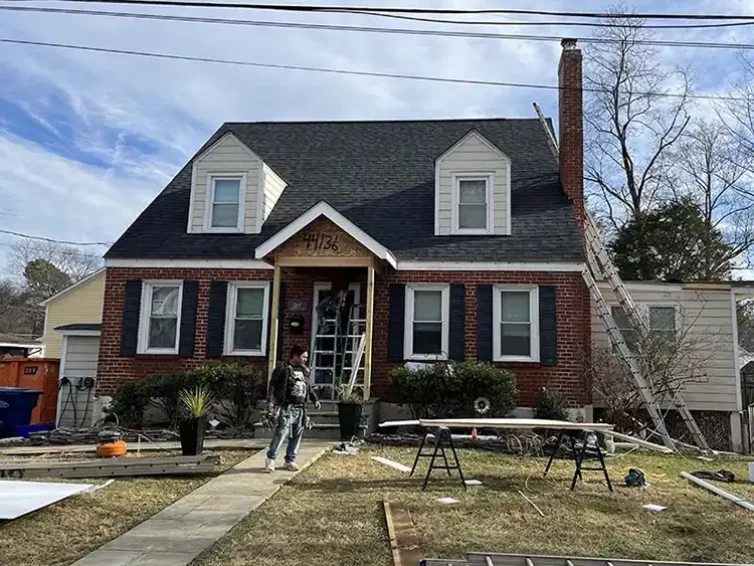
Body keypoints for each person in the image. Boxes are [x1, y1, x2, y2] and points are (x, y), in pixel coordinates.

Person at [264, 345, 320, 472]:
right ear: (295, 355)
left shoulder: (304, 370)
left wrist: (315, 399)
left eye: (306, 357)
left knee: (296, 435)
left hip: (301, 408)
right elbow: (273, 386)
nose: (305, 359)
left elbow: (308, 387)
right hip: (286, 407)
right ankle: (271, 459)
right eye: (303, 357)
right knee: (281, 433)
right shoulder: (283, 368)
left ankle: (290, 460)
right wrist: (271, 404)